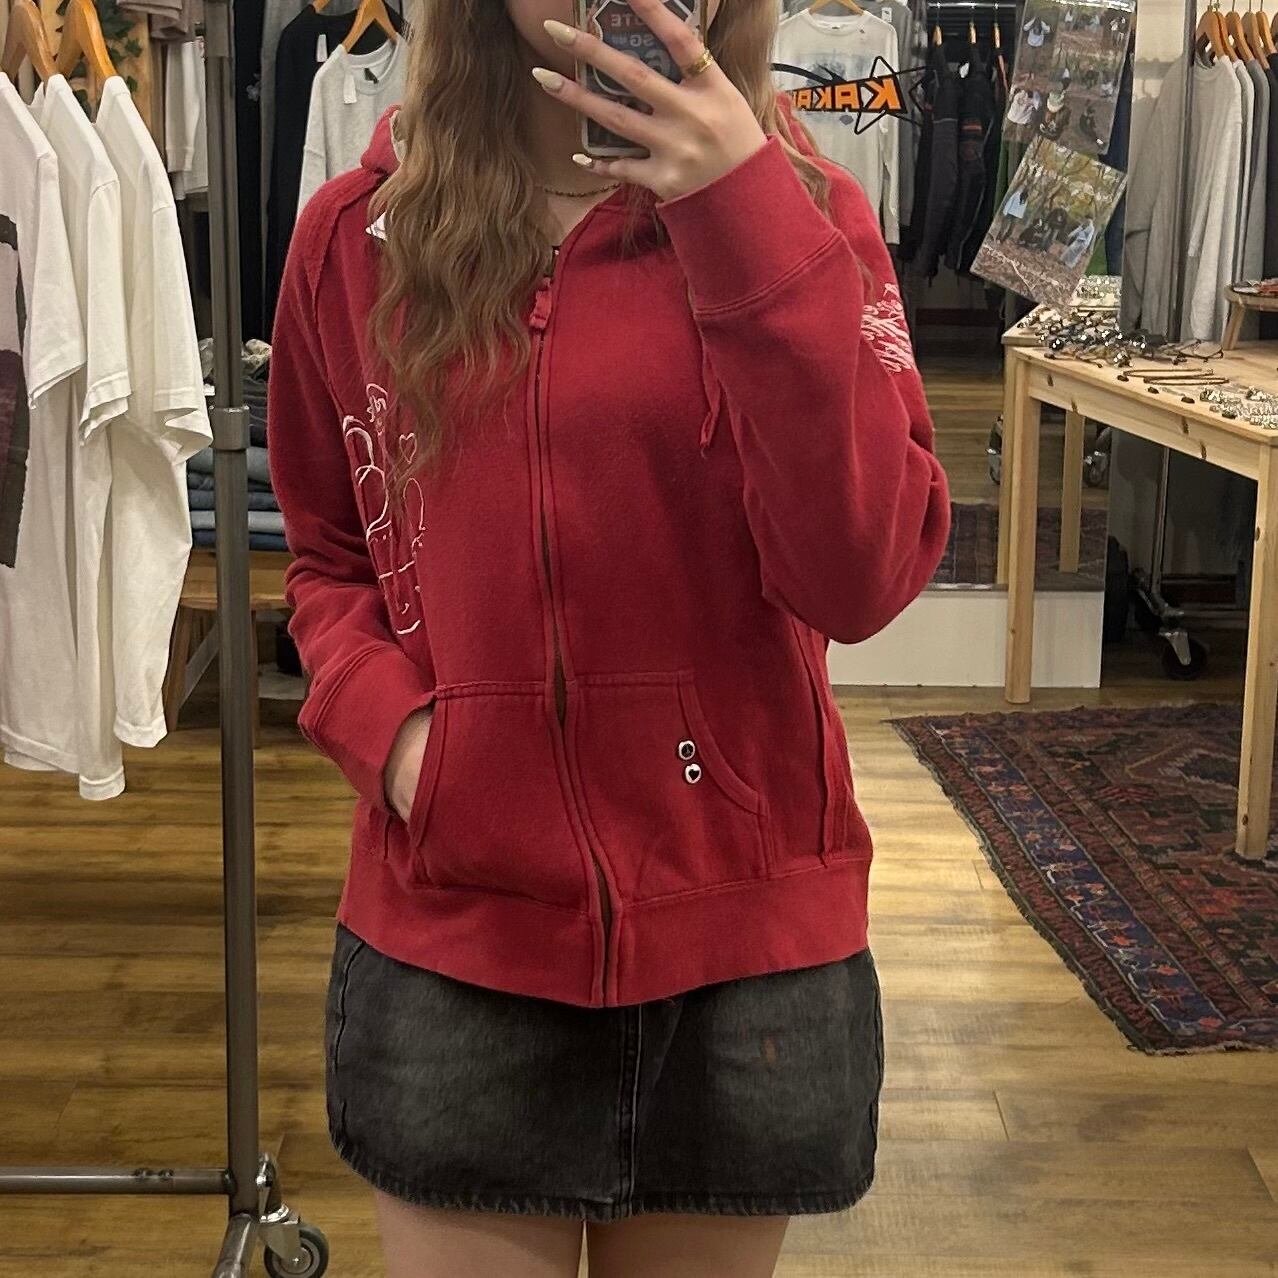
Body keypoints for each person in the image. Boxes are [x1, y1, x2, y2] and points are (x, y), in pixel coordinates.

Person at [269, 0, 950, 1275]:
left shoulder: (811, 218)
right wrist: (406, 747)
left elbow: (862, 577)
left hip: (743, 947)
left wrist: (742, 219)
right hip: (460, 940)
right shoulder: (356, 238)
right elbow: (327, 556)